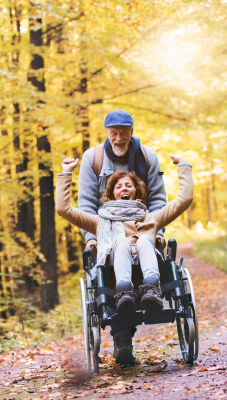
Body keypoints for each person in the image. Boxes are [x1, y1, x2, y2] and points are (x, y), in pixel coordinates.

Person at [56, 154, 193, 364]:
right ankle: (124, 292)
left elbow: (184, 200)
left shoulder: (151, 218)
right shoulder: (100, 221)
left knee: (145, 242)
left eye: (128, 185)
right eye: (118, 187)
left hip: (148, 267)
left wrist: (183, 166)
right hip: (115, 275)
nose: (124, 189)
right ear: (111, 195)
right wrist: (66, 173)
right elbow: (64, 209)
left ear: (137, 191)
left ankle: (150, 289)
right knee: (120, 242)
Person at [77, 110, 168, 251]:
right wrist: (91, 238)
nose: (119, 139)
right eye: (114, 133)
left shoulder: (149, 156)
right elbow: (86, 203)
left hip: (143, 228)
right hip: (104, 231)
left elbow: (157, 200)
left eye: (124, 132)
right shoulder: (92, 158)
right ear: (106, 133)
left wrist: (158, 233)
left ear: (132, 131)